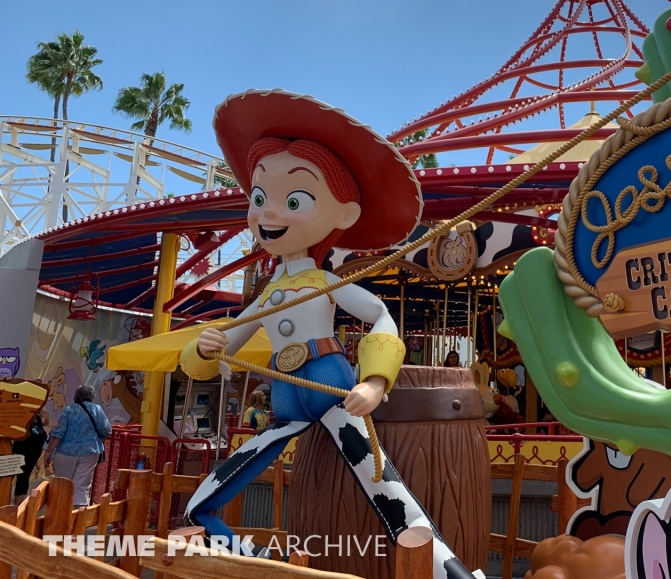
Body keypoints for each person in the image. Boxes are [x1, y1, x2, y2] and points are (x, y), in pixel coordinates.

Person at [171, 89, 471, 577]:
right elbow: (221, 349)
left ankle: (452, 573)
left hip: (332, 393)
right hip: (286, 406)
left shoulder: (326, 281)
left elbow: (380, 315)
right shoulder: (268, 294)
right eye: (259, 198)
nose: (269, 213)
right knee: (200, 503)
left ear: (345, 214)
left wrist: (375, 381)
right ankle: (259, 564)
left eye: (294, 200)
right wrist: (205, 347)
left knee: (391, 496)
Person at [42, 385, 111, 507]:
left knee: (63, 484)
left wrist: (48, 452)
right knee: (82, 486)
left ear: (76, 396)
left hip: (66, 452)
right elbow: (106, 430)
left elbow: (58, 434)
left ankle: (61, 513)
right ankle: (79, 514)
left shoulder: (69, 410)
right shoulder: (97, 409)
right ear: (92, 396)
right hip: (90, 451)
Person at [11, 413, 48, 503]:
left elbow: (45, 422)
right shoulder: (22, 414)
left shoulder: (36, 416)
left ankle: (17, 506)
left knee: (22, 477)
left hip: (29, 450)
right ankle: (14, 506)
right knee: (11, 476)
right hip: (22, 450)